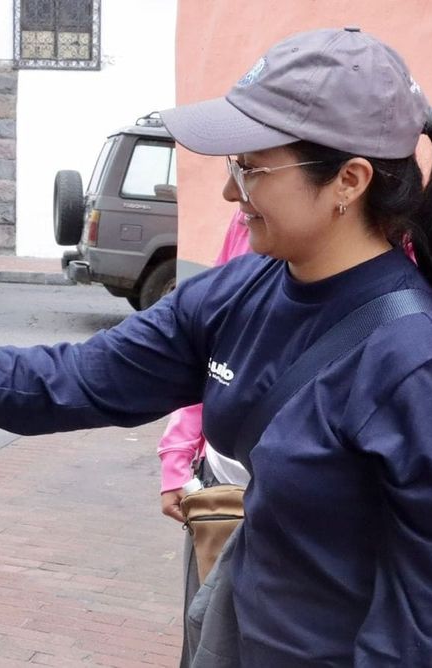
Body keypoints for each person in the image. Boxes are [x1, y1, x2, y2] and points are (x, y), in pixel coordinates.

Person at [0, 27, 432, 666]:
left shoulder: (425, 371)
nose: (230, 194)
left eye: (251, 170)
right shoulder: (240, 289)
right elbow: (84, 377)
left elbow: (430, 630)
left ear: (348, 181)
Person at [155, 210, 251, 668]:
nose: (233, 191)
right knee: (205, 636)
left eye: (252, 168)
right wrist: (178, 456)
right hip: (221, 494)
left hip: (312, 516)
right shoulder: (247, 224)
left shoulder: (398, 267)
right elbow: (208, 352)